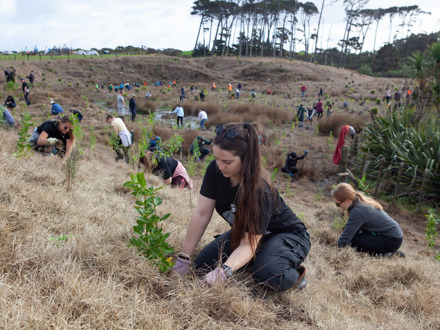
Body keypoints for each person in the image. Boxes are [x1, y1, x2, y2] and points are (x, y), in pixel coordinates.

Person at [172, 123, 310, 291]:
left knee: (267, 275)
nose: (220, 166)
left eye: (227, 161)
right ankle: (256, 257)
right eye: (216, 158)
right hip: (247, 233)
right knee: (201, 267)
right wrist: (184, 257)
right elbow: (201, 214)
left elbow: (247, 244)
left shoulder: (259, 190)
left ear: (246, 158)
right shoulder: (215, 171)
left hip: (286, 235)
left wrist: (224, 271)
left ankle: (294, 276)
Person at [331, 183, 405, 257]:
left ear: (347, 200)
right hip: (392, 237)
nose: (337, 207)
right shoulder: (358, 201)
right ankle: (385, 251)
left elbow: (347, 236)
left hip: (391, 240)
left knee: (354, 241)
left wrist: (335, 249)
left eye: (338, 204)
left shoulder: (358, 211)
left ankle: (384, 254)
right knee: (355, 238)